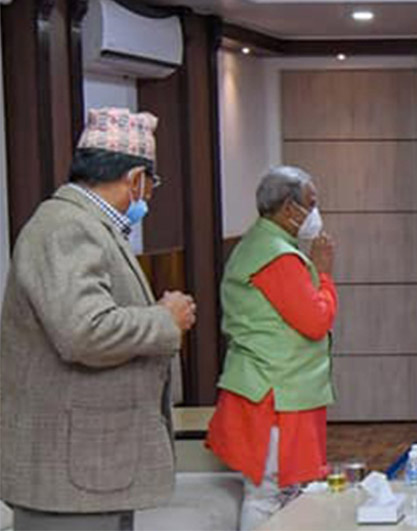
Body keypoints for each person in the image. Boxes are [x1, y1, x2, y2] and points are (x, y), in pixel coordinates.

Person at [0, 108, 196, 530]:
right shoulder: (65, 227)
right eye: (151, 183)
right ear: (136, 178)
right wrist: (164, 320)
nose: (149, 194)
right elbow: (83, 332)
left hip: (96, 467)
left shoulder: (91, 225)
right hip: (72, 470)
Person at [206, 165, 338, 530]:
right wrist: (325, 274)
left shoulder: (264, 245)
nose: (315, 213)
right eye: (311, 204)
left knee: (280, 491)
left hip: (276, 387)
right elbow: (315, 320)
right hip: (274, 392)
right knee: (267, 495)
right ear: (288, 208)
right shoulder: (276, 256)